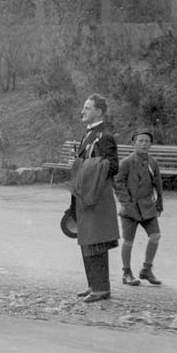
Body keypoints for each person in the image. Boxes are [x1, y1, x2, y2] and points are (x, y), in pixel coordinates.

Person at [66, 93, 119, 302]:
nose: (82, 111)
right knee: (86, 239)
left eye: (87, 108)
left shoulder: (104, 136)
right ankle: (93, 285)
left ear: (98, 111)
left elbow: (113, 165)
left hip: (95, 197)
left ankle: (101, 288)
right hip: (85, 195)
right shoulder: (89, 134)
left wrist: (87, 167)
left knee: (96, 241)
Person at [115, 128, 164, 287]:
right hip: (130, 209)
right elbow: (118, 184)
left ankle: (146, 269)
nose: (144, 144)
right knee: (128, 241)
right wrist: (126, 203)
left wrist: (159, 203)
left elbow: (157, 184)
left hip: (148, 207)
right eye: (140, 141)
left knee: (155, 236)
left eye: (147, 141)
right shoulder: (126, 162)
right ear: (134, 143)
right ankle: (126, 272)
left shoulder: (153, 162)